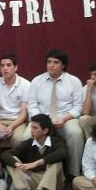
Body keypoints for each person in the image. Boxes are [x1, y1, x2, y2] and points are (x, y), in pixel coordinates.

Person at [27, 49, 84, 179]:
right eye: (49, 62)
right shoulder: (37, 81)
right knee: (26, 136)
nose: (51, 65)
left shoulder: (74, 81)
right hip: (41, 120)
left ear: (63, 65)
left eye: (55, 62)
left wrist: (64, 118)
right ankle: (32, 174)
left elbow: (78, 107)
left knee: (75, 134)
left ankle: (73, 174)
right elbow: (32, 105)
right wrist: (42, 121)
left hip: (65, 119)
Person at [0, 53, 30, 190]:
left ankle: (17, 174)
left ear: (16, 67)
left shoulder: (26, 85)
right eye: (2, 66)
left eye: (9, 65)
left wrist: (12, 127)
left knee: (20, 139)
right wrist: (1, 127)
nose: (5, 68)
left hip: (18, 121)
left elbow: (24, 113)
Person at [2, 113, 66, 190]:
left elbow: (62, 153)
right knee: (12, 163)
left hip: (53, 183)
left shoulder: (56, 141)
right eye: (31, 127)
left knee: (56, 162)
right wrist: (18, 165)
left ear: (45, 131)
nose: (31, 131)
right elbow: (6, 154)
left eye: (35, 128)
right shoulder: (28, 143)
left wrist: (37, 163)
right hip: (34, 179)